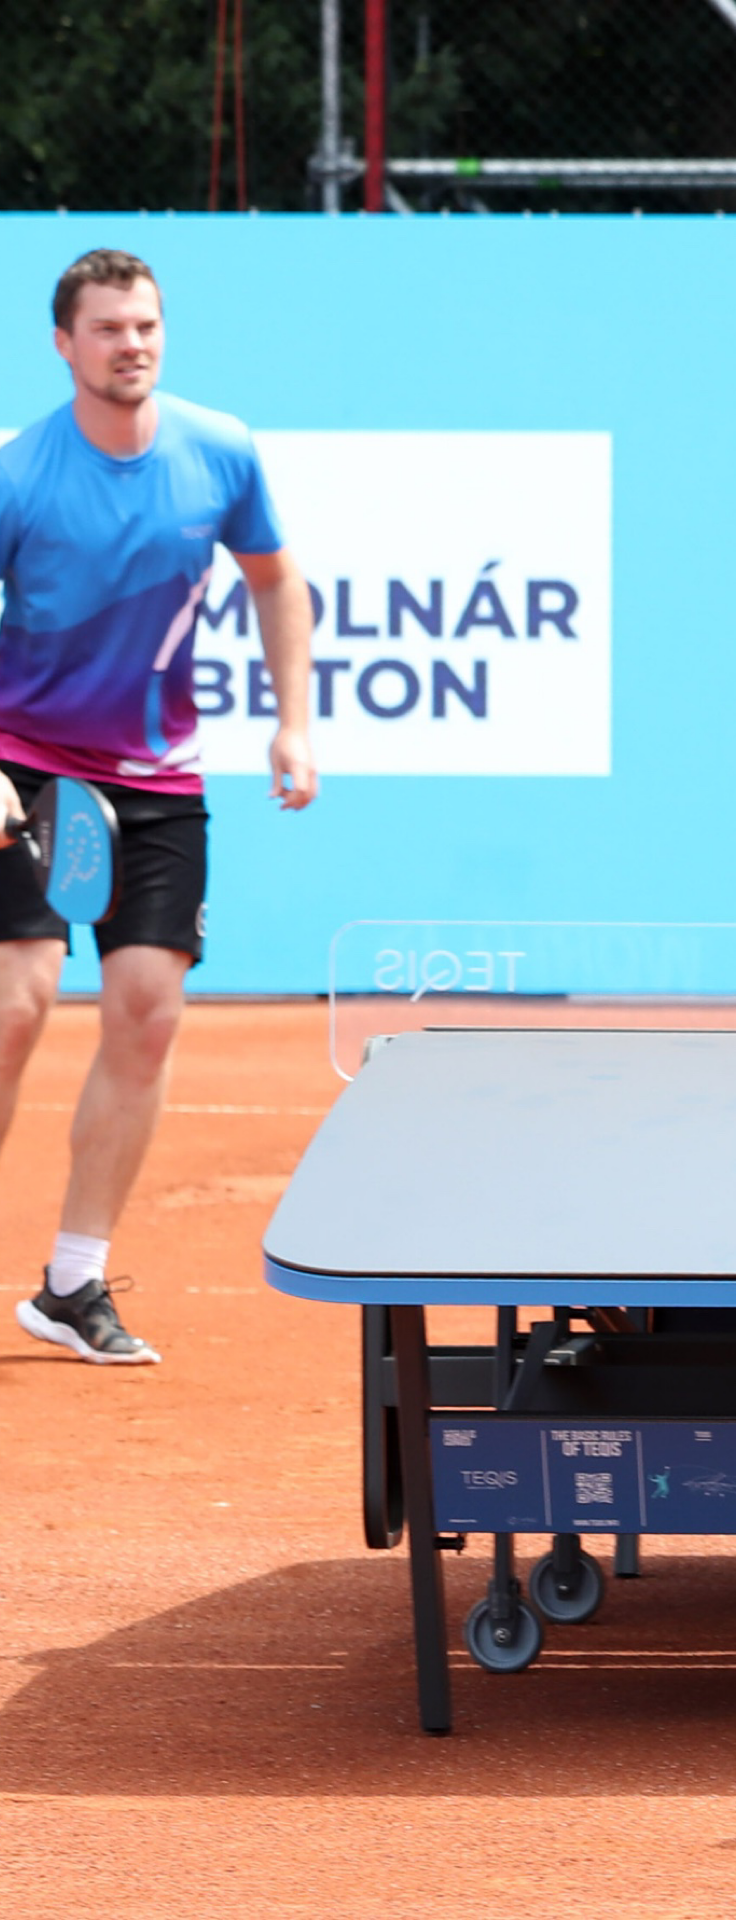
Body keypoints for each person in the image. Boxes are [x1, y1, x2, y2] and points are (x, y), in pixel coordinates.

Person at [3, 248, 315, 1366]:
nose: (130, 344)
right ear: (64, 344)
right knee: (18, 999)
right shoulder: (19, 470)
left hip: (156, 775)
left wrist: (293, 723)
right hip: (25, 758)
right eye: (107, 328)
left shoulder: (219, 450)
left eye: (144, 325)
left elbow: (277, 580)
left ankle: (72, 1283)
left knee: (146, 1013)